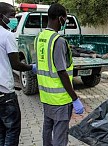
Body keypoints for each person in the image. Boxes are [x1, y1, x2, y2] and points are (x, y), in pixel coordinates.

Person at [35, 3, 84, 146]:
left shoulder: (40, 37)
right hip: (60, 98)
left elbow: (42, 62)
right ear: (60, 18)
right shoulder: (59, 41)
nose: (65, 22)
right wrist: (75, 98)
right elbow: (62, 72)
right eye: (65, 19)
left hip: (45, 95)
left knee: (47, 127)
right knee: (60, 134)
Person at [0, 2, 36, 146]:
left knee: (1, 131)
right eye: (12, 16)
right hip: (5, 94)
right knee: (12, 130)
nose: (14, 19)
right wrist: (31, 67)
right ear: (1, 16)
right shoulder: (7, 36)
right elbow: (16, 64)